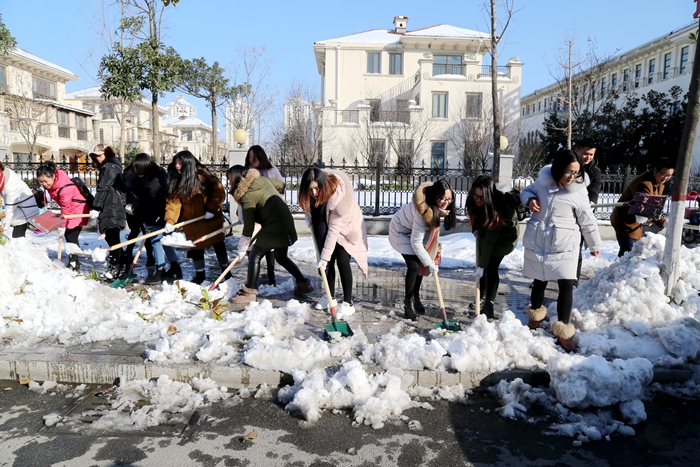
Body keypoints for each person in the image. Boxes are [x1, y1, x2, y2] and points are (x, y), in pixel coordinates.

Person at [520, 149, 602, 351]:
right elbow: (526, 191)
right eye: (568, 172)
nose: (572, 177)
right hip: (539, 240)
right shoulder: (543, 182)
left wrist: (595, 244)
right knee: (539, 280)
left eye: (576, 172)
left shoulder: (579, 191)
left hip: (565, 244)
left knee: (566, 285)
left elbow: (587, 220)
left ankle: (563, 331)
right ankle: (535, 317)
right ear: (557, 168)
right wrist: (530, 200)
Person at [227, 164, 313, 304]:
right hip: (285, 219)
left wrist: (242, 248)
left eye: (230, 180)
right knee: (281, 257)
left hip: (274, 225)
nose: (229, 183)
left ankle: (249, 291)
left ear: (236, 180)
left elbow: (248, 227)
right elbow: (280, 185)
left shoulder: (248, 195)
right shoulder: (261, 180)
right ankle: (303, 283)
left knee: (255, 254)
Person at [298, 167, 369, 311]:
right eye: (310, 189)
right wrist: (310, 219)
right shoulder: (312, 195)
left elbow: (333, 231)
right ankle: (330, 297)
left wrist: (324, 257)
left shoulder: (336, 198)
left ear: (323, 185)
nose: (314, 193)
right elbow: (310, 209)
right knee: (327, 264)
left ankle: (348, 303)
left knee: (341, 260)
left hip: (348, 229)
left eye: (316, 189)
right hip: (329, 227)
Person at [389, 179, 457, 321]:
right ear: (434, 197)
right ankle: (408, 304)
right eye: (442, 199)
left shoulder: (438, 207)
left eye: (449, 199)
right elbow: (416, 242)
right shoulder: (422, 210)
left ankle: (416, 297)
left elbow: (429, 234)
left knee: (420, 263)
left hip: (413, 234)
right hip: (400, 232)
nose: (446, 202)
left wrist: (432, 254)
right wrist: (429, 262)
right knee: (414, 266)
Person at [164, 150, 229, 285]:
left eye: (180, 163)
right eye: (176, 163)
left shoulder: (204, 177)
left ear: (188, 164)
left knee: (218, 243)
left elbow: (218, 192)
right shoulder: (176, 180)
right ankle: (200, 274)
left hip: (209, 219)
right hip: (191, 222)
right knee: (196, 246)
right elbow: (173, 203)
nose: (177, 166)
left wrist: (211, 209)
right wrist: (170, 221)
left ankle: (226, 271)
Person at [465, 175, 520, 319]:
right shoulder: (474, 200)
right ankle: (480, 297)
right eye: (475, 196)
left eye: (482, 198)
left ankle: (489, 303)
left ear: (489, 196)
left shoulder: (498, 208)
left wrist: (481, 266)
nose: (478, 200)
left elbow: (490, 241)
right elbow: (475, 215)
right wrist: (476, 229)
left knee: (490, 266)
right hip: (487, 229)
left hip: (505, 238)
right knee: (483, 265)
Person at [129, 154, 182, 283]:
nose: (136, 172)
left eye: (138, 170)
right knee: (165, 240)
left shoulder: (154, 182)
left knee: (156, 240)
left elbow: (152, 203)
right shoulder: (153, 174)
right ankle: (175, 267)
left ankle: (160, 270)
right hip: (159, 212)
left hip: (164, 213)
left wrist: (150, 221)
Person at [610, 158, 674, 257]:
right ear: (655, 169)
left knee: (628, 252)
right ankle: (619, 270)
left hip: (635, 221)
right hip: (625, 221)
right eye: (663, 174)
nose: (665, 178)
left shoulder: (658, 183)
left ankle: (619, 269)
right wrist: (663, 222)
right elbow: (647, 209)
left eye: (669, 175)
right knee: (629, 252)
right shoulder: (644, 184)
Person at [36, 161, 90, 271]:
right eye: (41, 182)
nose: (44, 184)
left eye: (46, 181)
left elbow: (67, 208)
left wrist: (62, 224)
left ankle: (74, 264)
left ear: (52, 176)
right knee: (70, 236)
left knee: (71, 236)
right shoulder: (55, 182)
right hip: (71, 209)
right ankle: (73, 261)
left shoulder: (64, 187)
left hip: (78, 209)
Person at [242, 145, 284, 286]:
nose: (252, 160)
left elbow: (281, 186)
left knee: (269, 244)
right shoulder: (246, 172)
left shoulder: (271, 170)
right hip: (254, 213)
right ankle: (253, 277)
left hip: (269, 213)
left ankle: (271, 274)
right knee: (251, 244)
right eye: (250, 157)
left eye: (255, 157)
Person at [90, 146, 127, 279]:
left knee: (113, 239)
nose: (98, 158)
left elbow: (103, 187)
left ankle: (115, 268)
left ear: (107, 154)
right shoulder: (112, 166)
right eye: (96, 156)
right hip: (111, 205)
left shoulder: (109, 167)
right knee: (112, 238)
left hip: (112, 205)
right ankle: (122, 264)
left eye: (100, 155)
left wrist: (96, 207)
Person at [573, 138, 601, 288]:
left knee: (576, 248)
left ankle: (573, 280)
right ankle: (539, 279)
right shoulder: (565, 165)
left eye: (592, 154)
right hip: (561, 214)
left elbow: (593, 194)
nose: (589, 157)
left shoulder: (595, 172)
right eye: (586, 154)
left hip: (580, 215)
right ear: (577, 151)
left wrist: (588, 206)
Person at [122, 159, 154, 269]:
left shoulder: (130, 174)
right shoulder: (134, 177)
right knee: (144, 232)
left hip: (137, 208)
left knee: (137, 232)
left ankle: (129, 253)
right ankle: (149, 257)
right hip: (137, 208)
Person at [0, 161, 41, 239]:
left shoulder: (11, 187)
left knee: (18, 238)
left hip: (24, 211)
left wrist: (2, 229)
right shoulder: (4, 174)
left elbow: (10, 210)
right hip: (18, 208)